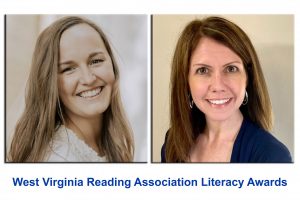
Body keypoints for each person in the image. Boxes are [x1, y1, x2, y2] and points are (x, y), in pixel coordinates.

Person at [161, 16, 292, 163]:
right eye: (203, 70)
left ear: (248, 77)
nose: (218, 86)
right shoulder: (174, 142)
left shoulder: (272, 156)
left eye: (231, 68)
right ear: (186, 81)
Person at [8, 16, 134, 162]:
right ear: (50, 83)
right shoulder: (58, 160)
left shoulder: (111, 146)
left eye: (96, 61)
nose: (88, 79)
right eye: (69, 69)